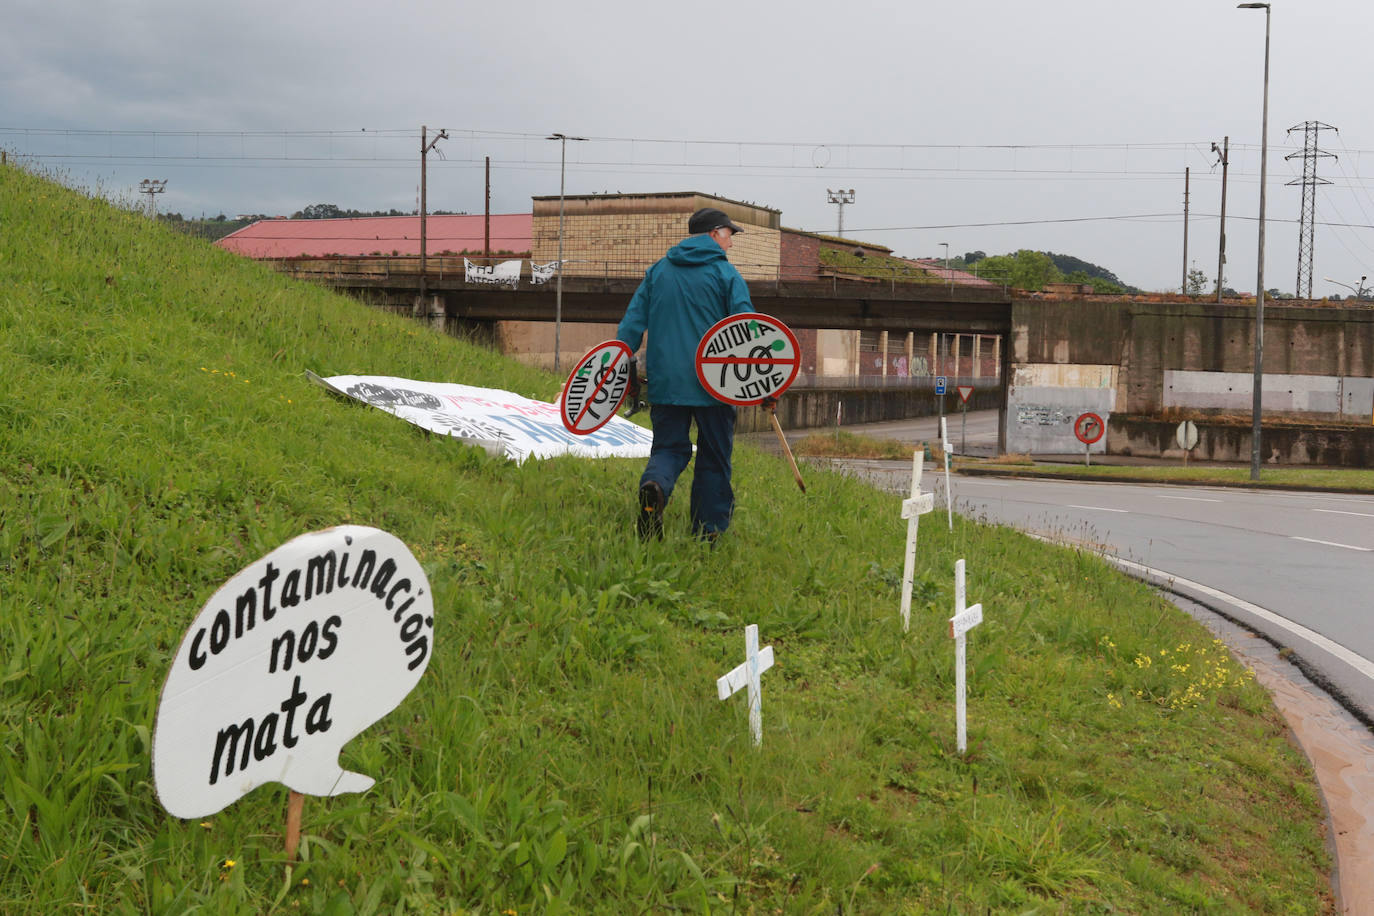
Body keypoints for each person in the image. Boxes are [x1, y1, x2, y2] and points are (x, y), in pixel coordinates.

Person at [616, 207, 754, 541]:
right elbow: (748, 331)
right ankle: (707, 535)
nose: (730, 244)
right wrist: (761, 385)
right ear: (714, 234)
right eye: (728, 235)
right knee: (714, 457)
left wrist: (613, 366)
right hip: (716, 385)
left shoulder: (658, 272)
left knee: (668, 449)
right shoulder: (726, 275)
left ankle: (655, 487)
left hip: (666, 383)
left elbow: (631, 326)